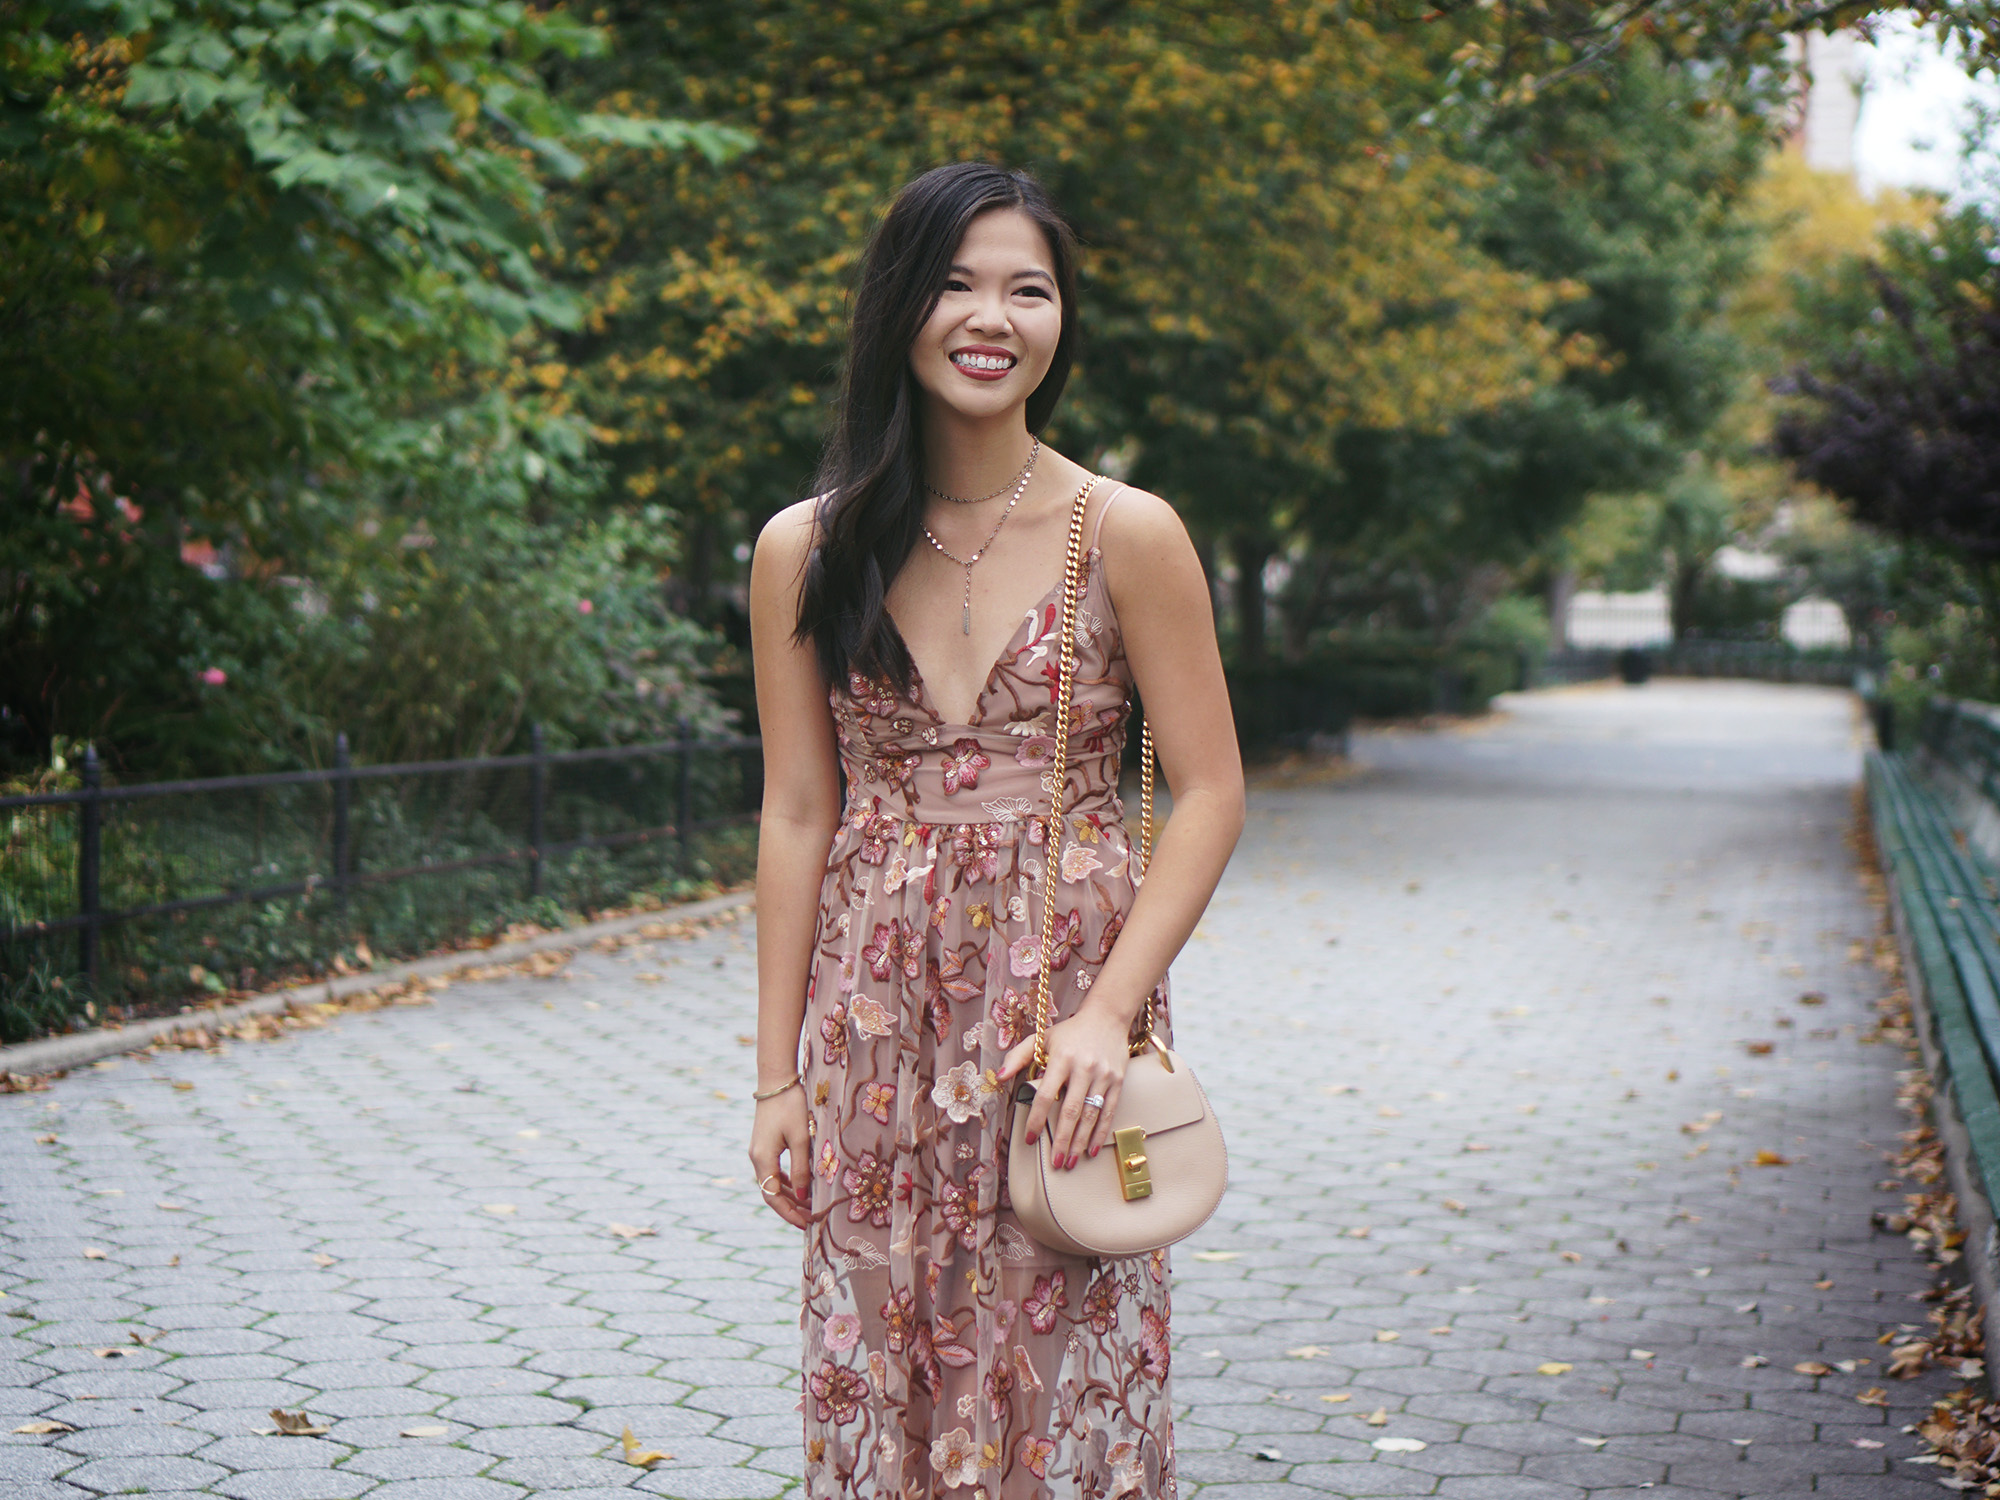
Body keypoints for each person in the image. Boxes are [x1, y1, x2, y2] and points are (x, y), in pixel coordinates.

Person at [747, 161, 1244, 1500]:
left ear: (1060, 324)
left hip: (1062, 1014)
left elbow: (1210, 792)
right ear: (900, 310)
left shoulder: (1123, 531)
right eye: (959, 283)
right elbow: (798, 811)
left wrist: (1109, 1014)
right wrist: (775, 1076)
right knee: (881, 1343)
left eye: (1029, 288)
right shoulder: (807, 547)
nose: (993, 316)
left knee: (1063, 1361)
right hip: (871, 1022)